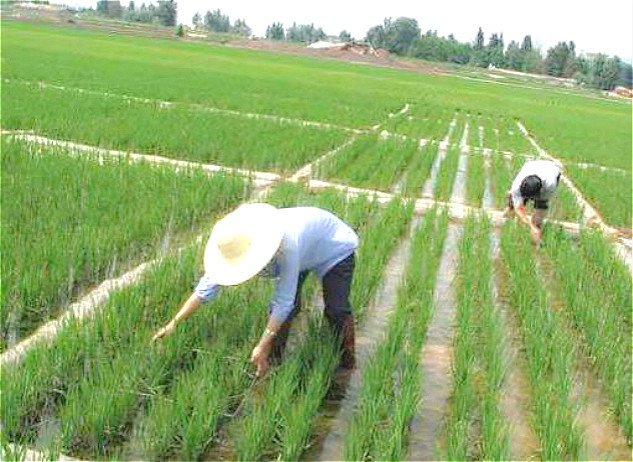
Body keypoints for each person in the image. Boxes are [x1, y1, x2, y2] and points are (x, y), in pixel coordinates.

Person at [152, 203, 358, 377]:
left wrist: (261, 345)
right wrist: (173, 324)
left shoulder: (285, 244)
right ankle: (274, 362)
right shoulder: (236, 243)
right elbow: (205, 289)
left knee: (336, 310)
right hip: (306, 248)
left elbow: (282, 301)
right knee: (287, 311)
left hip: (333, 248)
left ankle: (347, 364)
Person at [504, 159, 562, 244]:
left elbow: (540, 208)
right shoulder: (517, 185)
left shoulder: (550, 185)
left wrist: (534, 227)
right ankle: (505, 222)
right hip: (531, 165)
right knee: (512, 204)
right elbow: (519, 208)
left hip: (552, 169)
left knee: (540, 208)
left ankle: (536, 236)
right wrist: (530, 226)